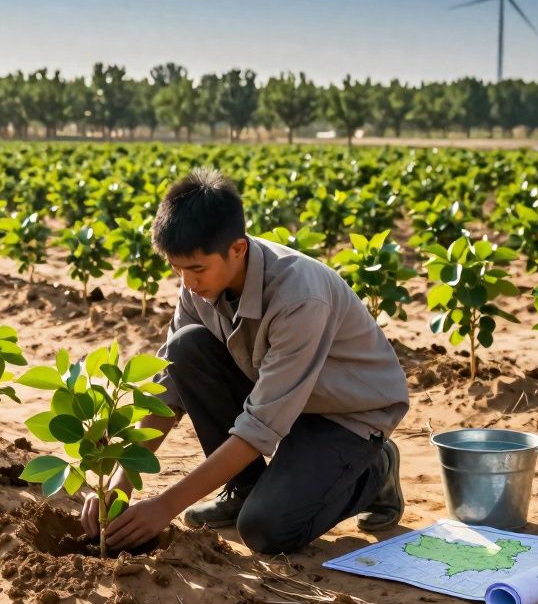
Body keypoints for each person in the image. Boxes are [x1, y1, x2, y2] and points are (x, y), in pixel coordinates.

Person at [82, 168, 410, 554]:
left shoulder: (299, 297)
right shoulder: (199, 284)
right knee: (186, 348)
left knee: (267, 530)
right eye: (177, 268)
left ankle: (375, 472)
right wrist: (121, 478)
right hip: (282, 397)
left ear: (238, 249)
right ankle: (245, 487)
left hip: (347, 415)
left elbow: (260, 426)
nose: (186, 282)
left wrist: (166, 506)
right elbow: (168, 386)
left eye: (196, 269)